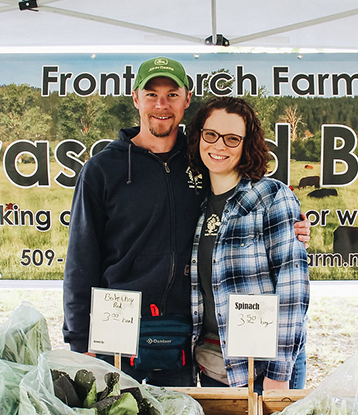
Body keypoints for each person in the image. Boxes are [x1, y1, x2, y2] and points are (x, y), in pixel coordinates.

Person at [63, 57, 310, 386]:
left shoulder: (200, 161)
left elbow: (248, 204)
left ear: (186, 99)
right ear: (135, 98)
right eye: (151, 94)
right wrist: (80, 340)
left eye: (171, 95)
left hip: (184, 336)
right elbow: (81, 258)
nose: (161, 105)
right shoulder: (101, 170)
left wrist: (293, 227)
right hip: (118, 328)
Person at [187, 97, 310, 391]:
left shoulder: (271, 196)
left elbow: (293, 289)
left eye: (232, 139)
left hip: (263, 370)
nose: (219, 146)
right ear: (199, 136)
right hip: (211, 365)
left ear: (247, 144)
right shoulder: (197, 204)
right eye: (211, 135)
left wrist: (279, 375)